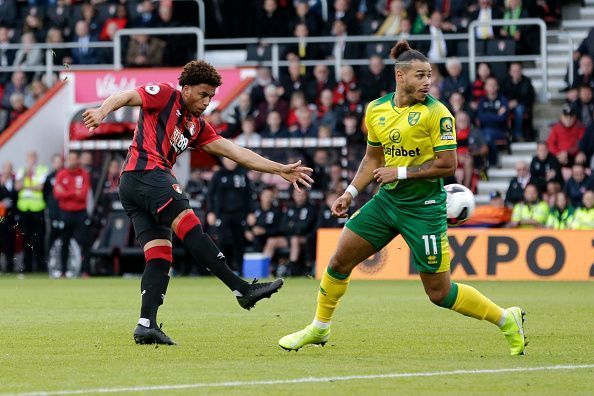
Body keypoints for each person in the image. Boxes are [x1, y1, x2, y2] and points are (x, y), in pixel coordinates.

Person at [278, 41, 526, 356]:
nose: (427, 82)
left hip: (423, 209)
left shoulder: (438, 114)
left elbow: (448, 164)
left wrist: (401, 173)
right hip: (387, 203)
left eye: (430, 76)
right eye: (420, 76)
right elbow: (372, 160)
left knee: (439, 293)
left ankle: (507, 319)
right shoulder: (376, 109)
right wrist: (350, 193)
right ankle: (319, 327)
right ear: (400, 76)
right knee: (339, 261)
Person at [82, 60, 313, 345]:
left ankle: (146, 324)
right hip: (147, 173)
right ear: (187, 88)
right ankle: (241, 289)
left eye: (212, 96)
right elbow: (126, 96)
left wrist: (279, 169)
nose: (207, 102)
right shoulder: (166, 94)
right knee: (191, 226)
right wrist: (102, 111)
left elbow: (235, 151)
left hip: (134, 184)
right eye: (203, 94)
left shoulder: (196, 126)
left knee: (160, 256)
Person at [206, 157, 255, 274]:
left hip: (240, 214)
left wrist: (250, 212)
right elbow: (210, 195)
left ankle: (240, 270)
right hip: (222, 214)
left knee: (239, 243)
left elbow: (249, 195)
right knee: (222, 242)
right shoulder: (218, 175)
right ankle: (223, 271)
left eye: (233, 160)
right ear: (224, 161)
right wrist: (210, 212)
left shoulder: (243, 174)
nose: (231, 162)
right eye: (228, 160)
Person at [53, 152, 91, 278]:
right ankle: (63, 271)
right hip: (66, 213)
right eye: (70, 159)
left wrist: (66, 192)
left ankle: (85, 271)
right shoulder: (61, 174)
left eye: (74, 159)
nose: (71, 161)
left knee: (85, 242)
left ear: (78, 160)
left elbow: (83, 195)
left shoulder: (83, 174)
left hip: (80, 212)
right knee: (64, 242)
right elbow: (57, 194)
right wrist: (74, 192)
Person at [15, 151, 48, 273]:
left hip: (37, 209)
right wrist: (26, 178)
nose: (31, 160)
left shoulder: (41, 170)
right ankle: (27, 266)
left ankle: (40, 266)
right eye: (29, 158)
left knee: (38, 238)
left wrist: (26, 185)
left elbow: (40, 187)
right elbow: (17, 186)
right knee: (25, 238)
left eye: (33, 157)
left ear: (36, 159)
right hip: (24, 209)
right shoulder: (22, 171)